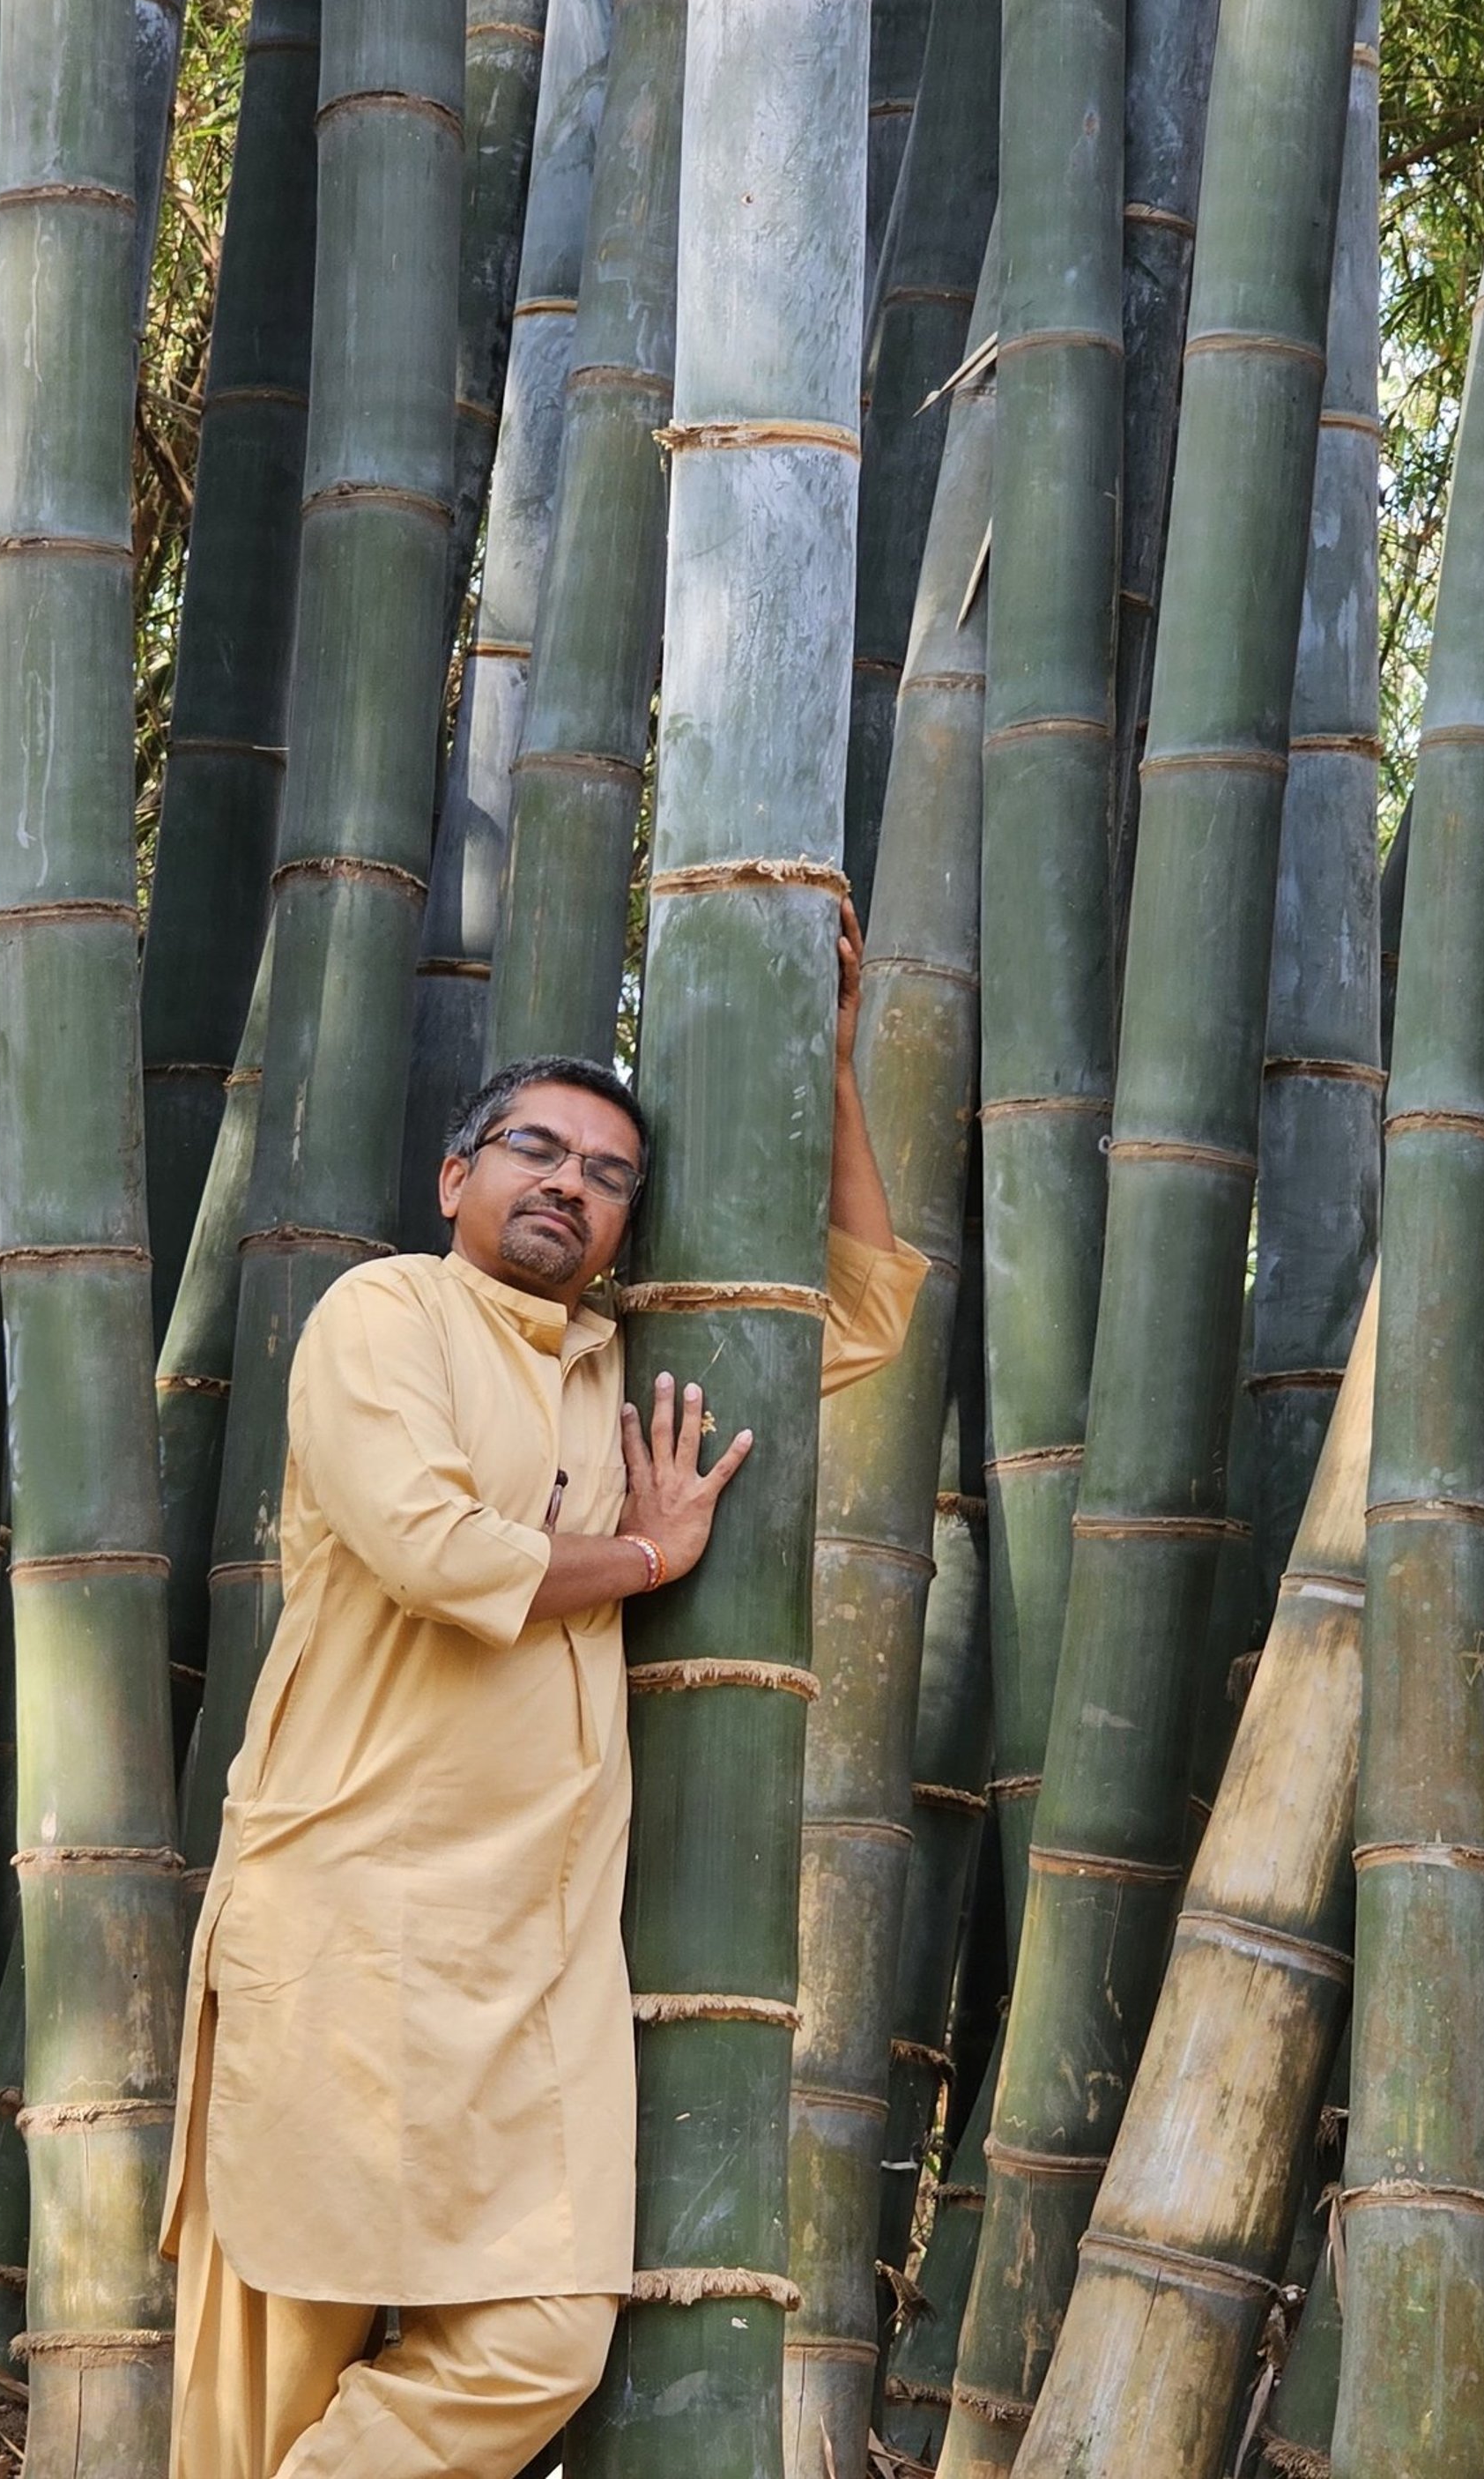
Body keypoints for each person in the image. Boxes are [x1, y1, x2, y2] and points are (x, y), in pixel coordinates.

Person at [163, 902, 927, 2479]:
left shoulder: (620, 1365)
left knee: (547, 2334)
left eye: (606, 1174)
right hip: (347, 1912)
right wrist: (645, 1557)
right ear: (459, 1178)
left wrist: (830, 1058)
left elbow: (856, 1310)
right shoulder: (386, 1314)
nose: (568, 1183)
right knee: (265, 2375)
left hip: (533, 1950)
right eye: (535, 1149)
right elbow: (437, 1549)